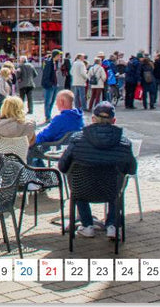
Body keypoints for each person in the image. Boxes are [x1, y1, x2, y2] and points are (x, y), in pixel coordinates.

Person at [57, 102, 137, 239]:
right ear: (114, 121)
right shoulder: (124, 143)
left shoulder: (77, 140)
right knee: (118, 181)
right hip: (111, 191)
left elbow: (62, 166)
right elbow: (131, 169)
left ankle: (87, 224)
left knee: (77, 182)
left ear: (93, 119)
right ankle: (112, 224)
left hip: (82, 191)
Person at [41, 51, 62, 122]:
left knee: (52, 101)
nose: (60, 57)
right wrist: (49, 84)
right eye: (59, 55)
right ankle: (47, 116)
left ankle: (49, 115)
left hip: (55, 84)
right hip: (50, 85)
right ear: (55, 56)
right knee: (48, 101)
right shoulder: (48, 63)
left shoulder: (55, 63)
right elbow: (46, 74)